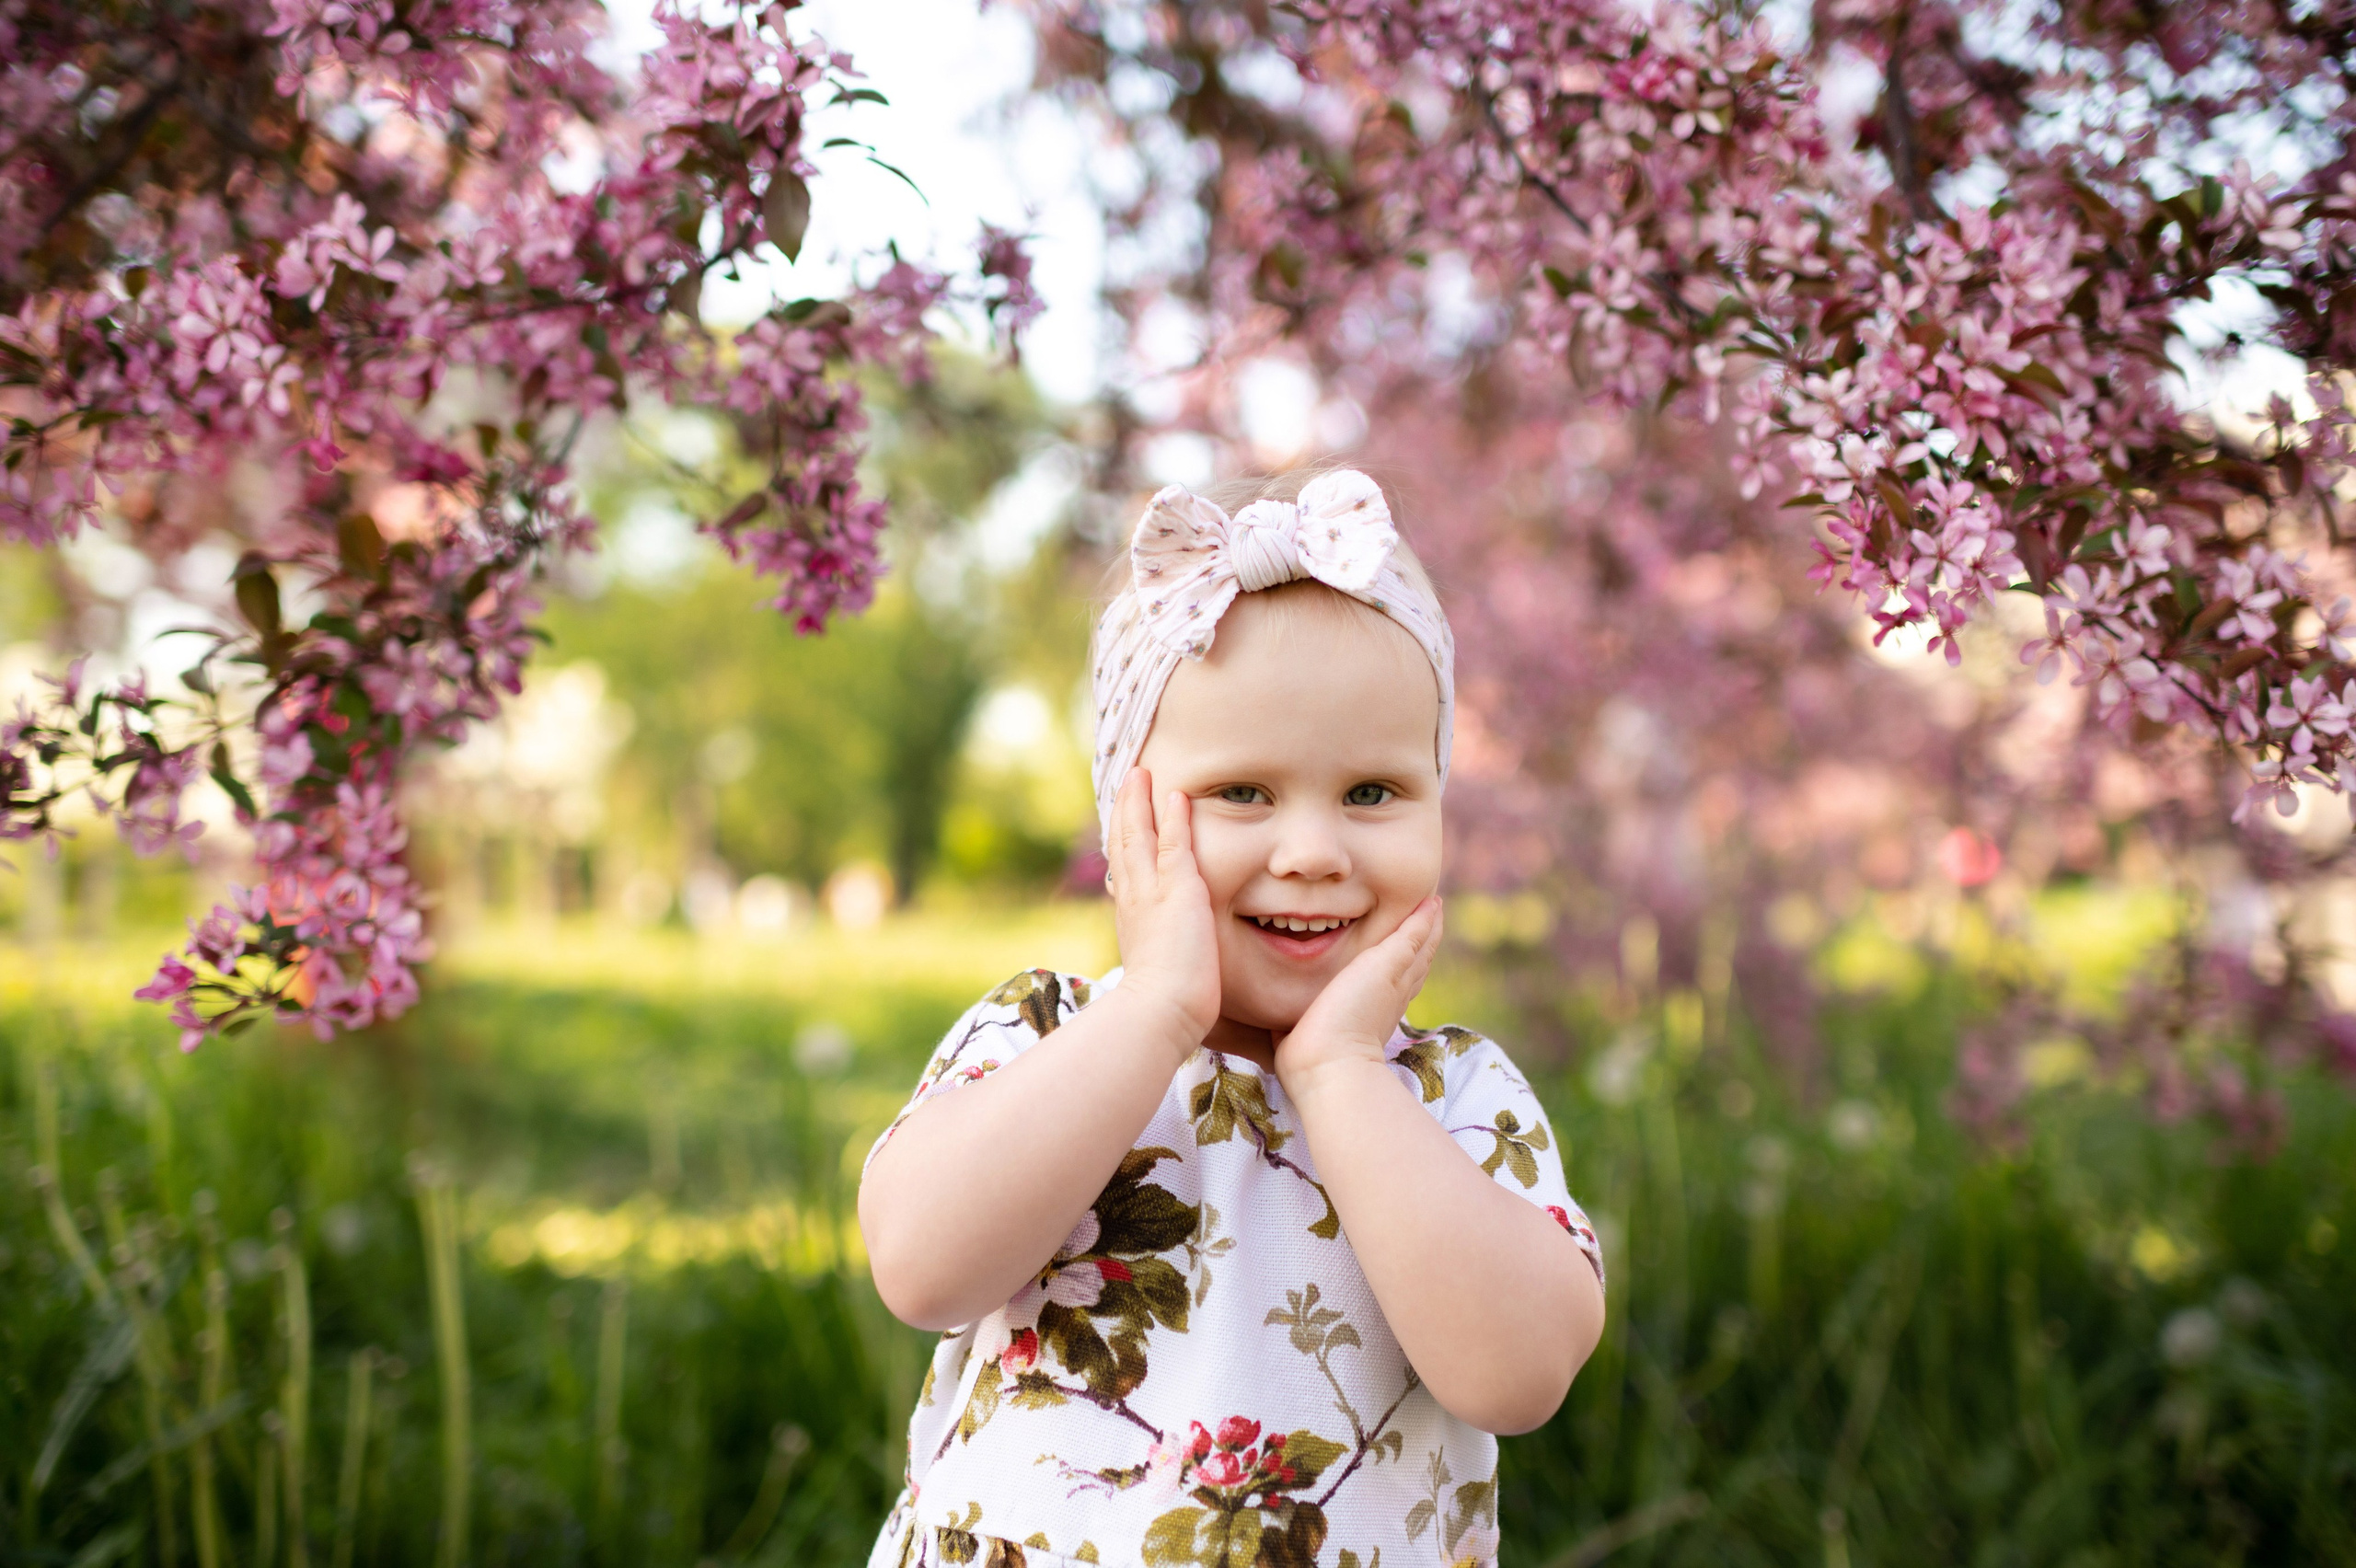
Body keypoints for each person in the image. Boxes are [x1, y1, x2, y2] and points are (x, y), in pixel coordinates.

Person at [858, 468, 1609, 1568]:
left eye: (1371, 794)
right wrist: (1158, 1010)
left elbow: (1518, 1376)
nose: (1311, 852)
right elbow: (923, 1269)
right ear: (1126, 820)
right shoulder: (1044, 1033)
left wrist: (1342, 1073)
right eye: (1243, 793)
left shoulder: (1454, 1094)